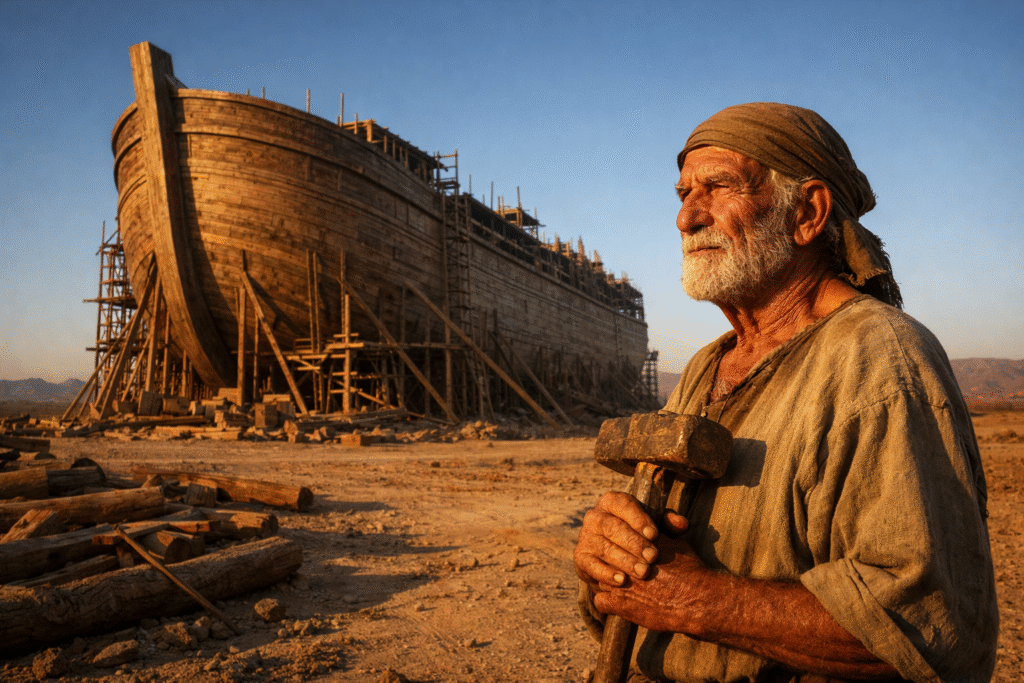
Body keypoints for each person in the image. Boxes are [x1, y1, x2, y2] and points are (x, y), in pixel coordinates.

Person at [573, 103, 999, 683]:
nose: (686, 218)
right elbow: (644, 568)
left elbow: (931, 625)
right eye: (683, 194)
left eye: (719, 187)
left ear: (807, 212)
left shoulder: (878, 359)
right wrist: (607, 556)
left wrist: (695, 601)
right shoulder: (706, 366)